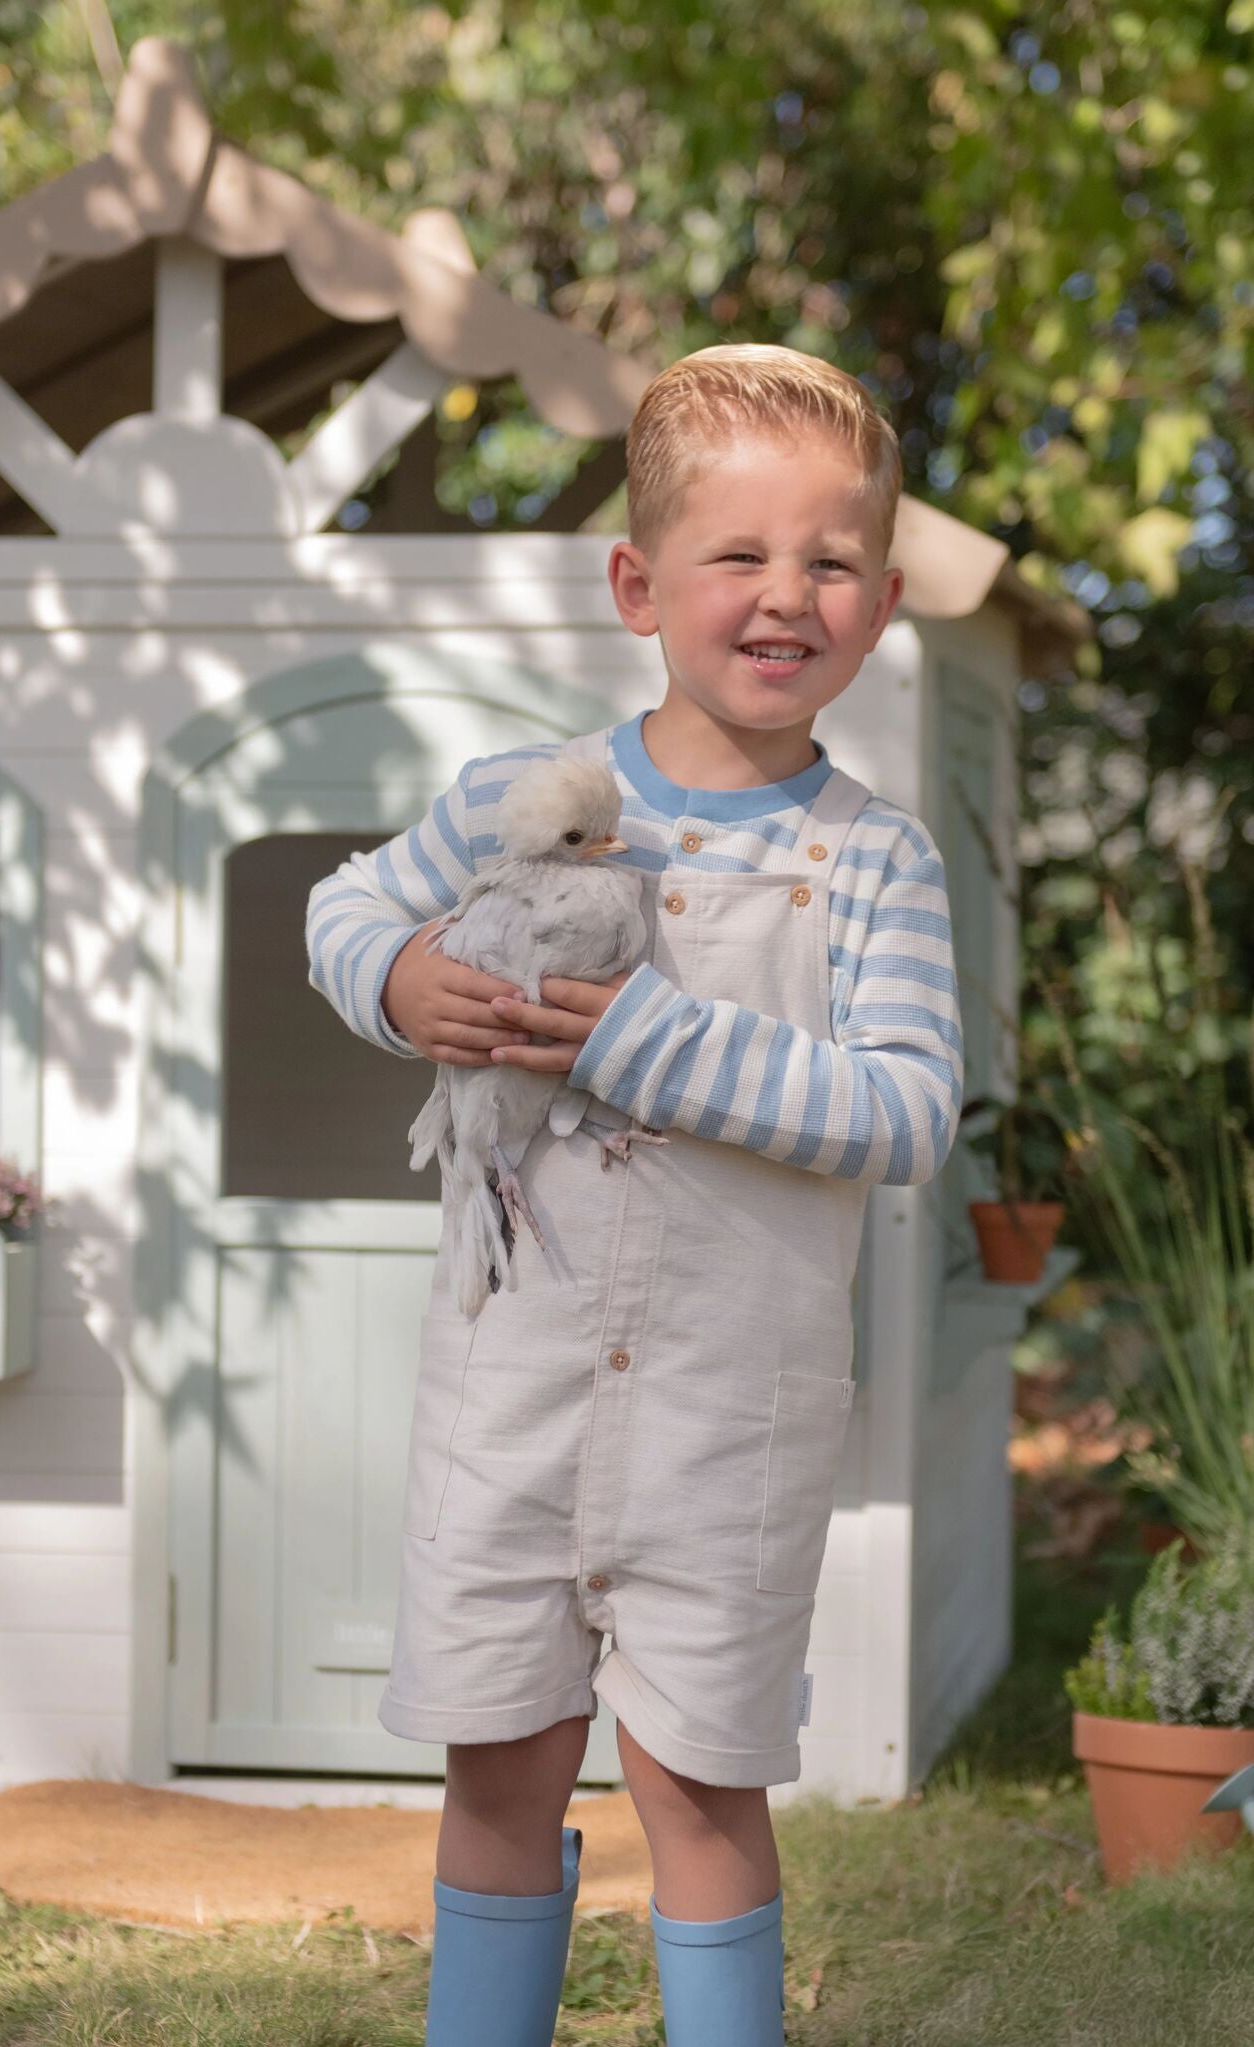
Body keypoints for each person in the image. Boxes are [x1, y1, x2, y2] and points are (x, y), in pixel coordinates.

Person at [303, 342, 964, 2045]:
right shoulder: (517, 804)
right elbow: (343, 908)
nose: (786, 594)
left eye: (830, 562)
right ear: (638, 585)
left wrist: (647, 1040)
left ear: (883, 605)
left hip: (728, 1428)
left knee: (699, 1786)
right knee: (501, 1763)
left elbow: (907, 1110)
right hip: (510, 1398)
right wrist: (403, 982)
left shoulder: (872, 859)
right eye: (738, 554)